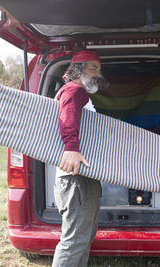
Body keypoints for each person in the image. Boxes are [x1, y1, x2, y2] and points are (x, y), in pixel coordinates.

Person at [52, 50, 107, 267]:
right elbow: (68, 115)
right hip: (76, 179)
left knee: (83, 238)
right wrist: (71, 147)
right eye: (94, 68)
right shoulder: (75, 91)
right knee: (74, 241)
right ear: (78, 69)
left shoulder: (75, 91)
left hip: (82, 177)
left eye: (99, 70)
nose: (98, 74)